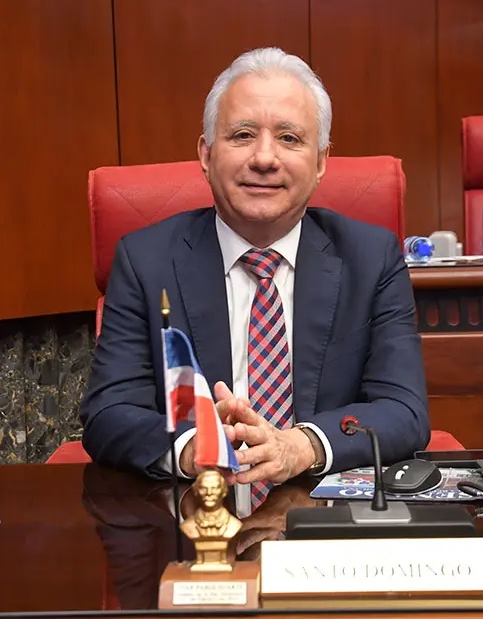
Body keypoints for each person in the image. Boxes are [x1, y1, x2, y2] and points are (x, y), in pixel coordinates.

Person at [79, 47, 429, 513]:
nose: (265, 158)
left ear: (321, 162)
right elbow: (108, 413)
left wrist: (301, 446)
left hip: (324, 525)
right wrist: (193, 446)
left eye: (289, 138)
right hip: (192, 524)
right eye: (242, 135)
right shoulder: (146, 261)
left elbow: (404, 410)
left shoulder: (371, 258)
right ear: (206, 154)